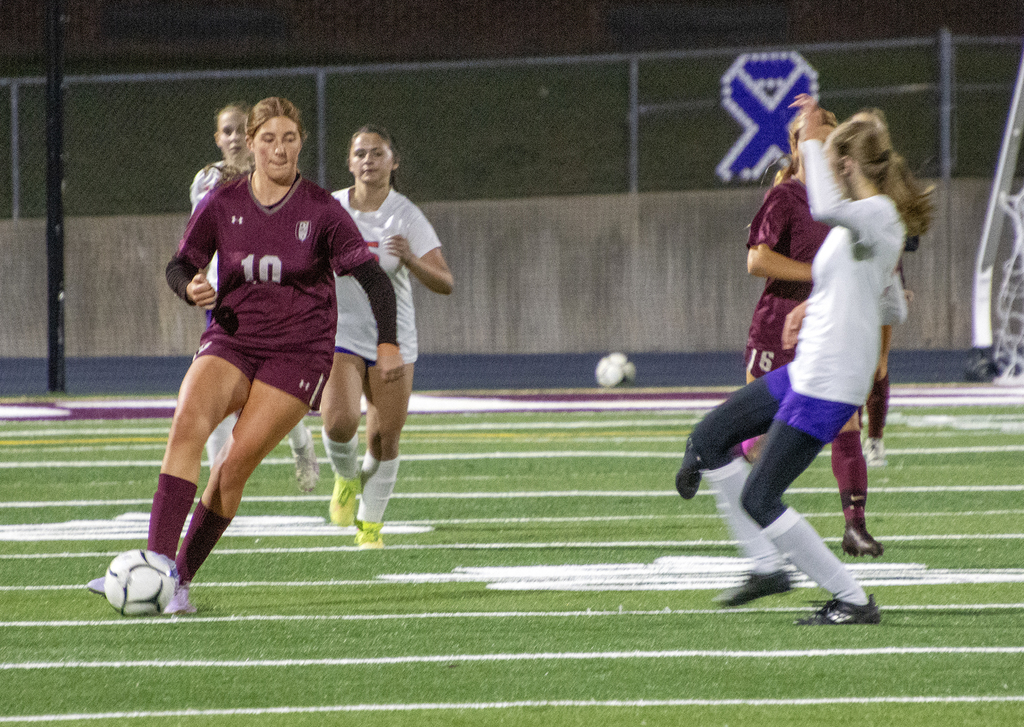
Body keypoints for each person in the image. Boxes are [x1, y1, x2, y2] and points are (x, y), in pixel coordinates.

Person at [88, 97, 402, 613]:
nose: (280, 149)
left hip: (298, 353)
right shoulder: (223, 201)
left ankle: (179, 579)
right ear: (250, 144)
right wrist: (188, 288)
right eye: (269, 139)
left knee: (231, 468)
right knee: (187, 423)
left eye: (290, 138)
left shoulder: (323, 210)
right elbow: (180, 264)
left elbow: (373, 280)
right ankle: (155, 568)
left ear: (301, 143)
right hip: (233, 339)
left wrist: (386, 343)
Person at [675, 94, 932, 625]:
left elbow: (823, 207)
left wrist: (811, 137)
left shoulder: (877, 214)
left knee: (762, 497)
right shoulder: (867, 224)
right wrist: (816, 307)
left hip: (829, 381)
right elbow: (888, 304)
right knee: (707, 441)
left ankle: (853, 600)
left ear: (844, 164)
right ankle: (767, 566)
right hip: (809, 368)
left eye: (827, 159)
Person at [716, 108, 884, 609]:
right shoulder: (786, 196)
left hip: (829, 334)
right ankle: (765, 554)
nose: (830, 152)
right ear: (799, 148)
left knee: (846, 427)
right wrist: (824, 278)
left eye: (836, 143)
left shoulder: (850, 204)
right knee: (759, 446)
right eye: (818, 141)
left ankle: (854, 527)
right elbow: (757, 259)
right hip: (779, 327)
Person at [320, 125, 453, 549]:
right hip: (340, 333)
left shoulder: (406, 215)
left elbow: (445, 282)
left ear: (394, 162)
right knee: (339, 424)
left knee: (384, 438)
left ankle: (370, 527)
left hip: (392, 339)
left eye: (377, 153)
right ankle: (345, 479)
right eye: (360, 153)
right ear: (349, 161)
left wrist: (411, 258)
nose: (368, 160)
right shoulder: (330, 208)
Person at [193, 104, 322, 494]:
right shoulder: (205, 180)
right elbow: (199, 235)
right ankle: (217, 487)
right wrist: (195, 275)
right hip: (225, 300)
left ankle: (300, 442)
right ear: (218, 138)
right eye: (226, 131)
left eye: (239, 131)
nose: (233, 138)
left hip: (269, 298)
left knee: (268, 387)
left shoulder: (278, 177)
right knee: (219, 397)